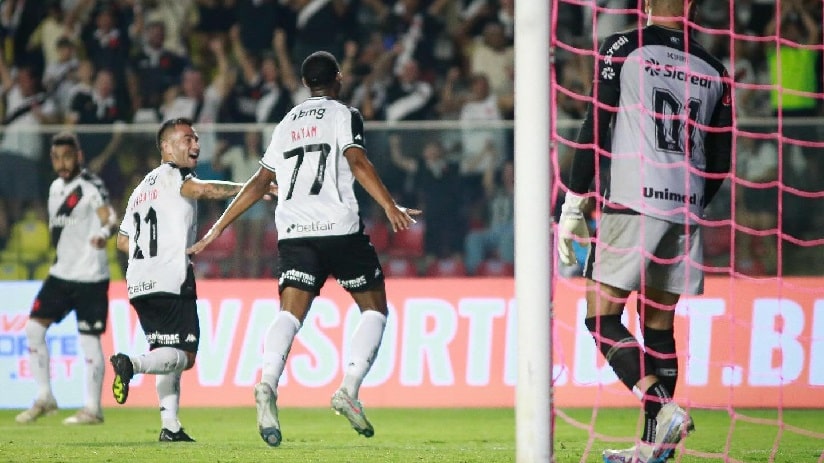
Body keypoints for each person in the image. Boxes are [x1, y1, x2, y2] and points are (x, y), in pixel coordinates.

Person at [188, 51, 421, 447]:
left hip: (294, 231)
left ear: (304, 83)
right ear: (339, 79)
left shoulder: (285, 124)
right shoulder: (345, 115)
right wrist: (388, 205)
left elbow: (258, 183)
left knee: (289, 314)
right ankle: (348, 388)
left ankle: (265, 383)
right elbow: (358, 161)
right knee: (374, 309)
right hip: (338, 228)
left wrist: (215, 228)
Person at [557, 1, 732, 462]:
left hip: (633, 199)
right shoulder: (715, 68)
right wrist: (689, 201)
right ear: (691, 4)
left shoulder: (625, 46)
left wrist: (574, 201)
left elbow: (595, 124)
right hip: (687, 207)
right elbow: (720, 164)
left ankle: (661, 406)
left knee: (600, 318)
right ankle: (652, 449)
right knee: (658, 327)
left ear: (646, 3)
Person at [110, 118, 270, 442]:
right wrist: (253, 188)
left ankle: (170, 426)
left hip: (138, 281)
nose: (195, 144)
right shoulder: (177, 175)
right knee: (186, 355)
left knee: (164, 349)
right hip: (171, 277)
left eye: (196, 138)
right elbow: (206, 189)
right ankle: (131, 364)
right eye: (186, 139)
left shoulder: (140, 189)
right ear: (166, 147)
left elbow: (122, 241)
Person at [15, 132, 119, 425]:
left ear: (79, 157)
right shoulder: (54, 188)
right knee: (33, 329)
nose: (62, 163)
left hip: (89, 277)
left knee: (89, 341)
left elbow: (110, 218)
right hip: (61, 274)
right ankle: (45, 396)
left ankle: (92, 408)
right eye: (57, 158)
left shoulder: (89, 186)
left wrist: (102, 233)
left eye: (68, 157)